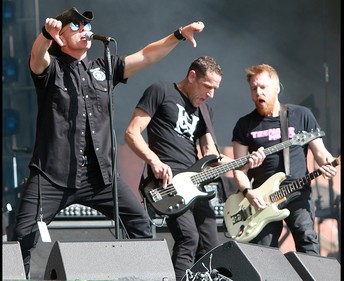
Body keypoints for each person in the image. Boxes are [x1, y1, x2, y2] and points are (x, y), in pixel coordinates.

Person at [11, 6, 206, 278]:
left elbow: (147, 55)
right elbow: (36, 56)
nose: (85, 30)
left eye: (87, 26)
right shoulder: (51, 69)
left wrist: (179, 35)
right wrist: (46, 33)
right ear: (61, 39)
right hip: (51, 176)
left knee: (139, 223)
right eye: (76, 27)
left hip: (100, 177)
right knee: (22, 235)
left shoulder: (104, 67)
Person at [124, 56, 265, 280]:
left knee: (210, 246)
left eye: (215, 89)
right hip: (168, 183)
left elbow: (211, 155)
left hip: (196, 184)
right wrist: (154, 161)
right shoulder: (161, 91)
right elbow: (132, 132)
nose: (211, 94)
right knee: (189, 237)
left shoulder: (205, 111)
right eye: (207, 87)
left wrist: (245, 162)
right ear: (192, 76)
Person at [231, 63, 337, 255]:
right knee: (263, 253)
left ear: (277, 87)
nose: (258, 92)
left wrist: (329, 164)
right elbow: (239, 170)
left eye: (263, 87)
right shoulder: (244, 125)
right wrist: (249, 193)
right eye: (254, 88)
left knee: (307, 241)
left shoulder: (301, 115)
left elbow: (321, 154)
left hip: (297, 192)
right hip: (262, 199)